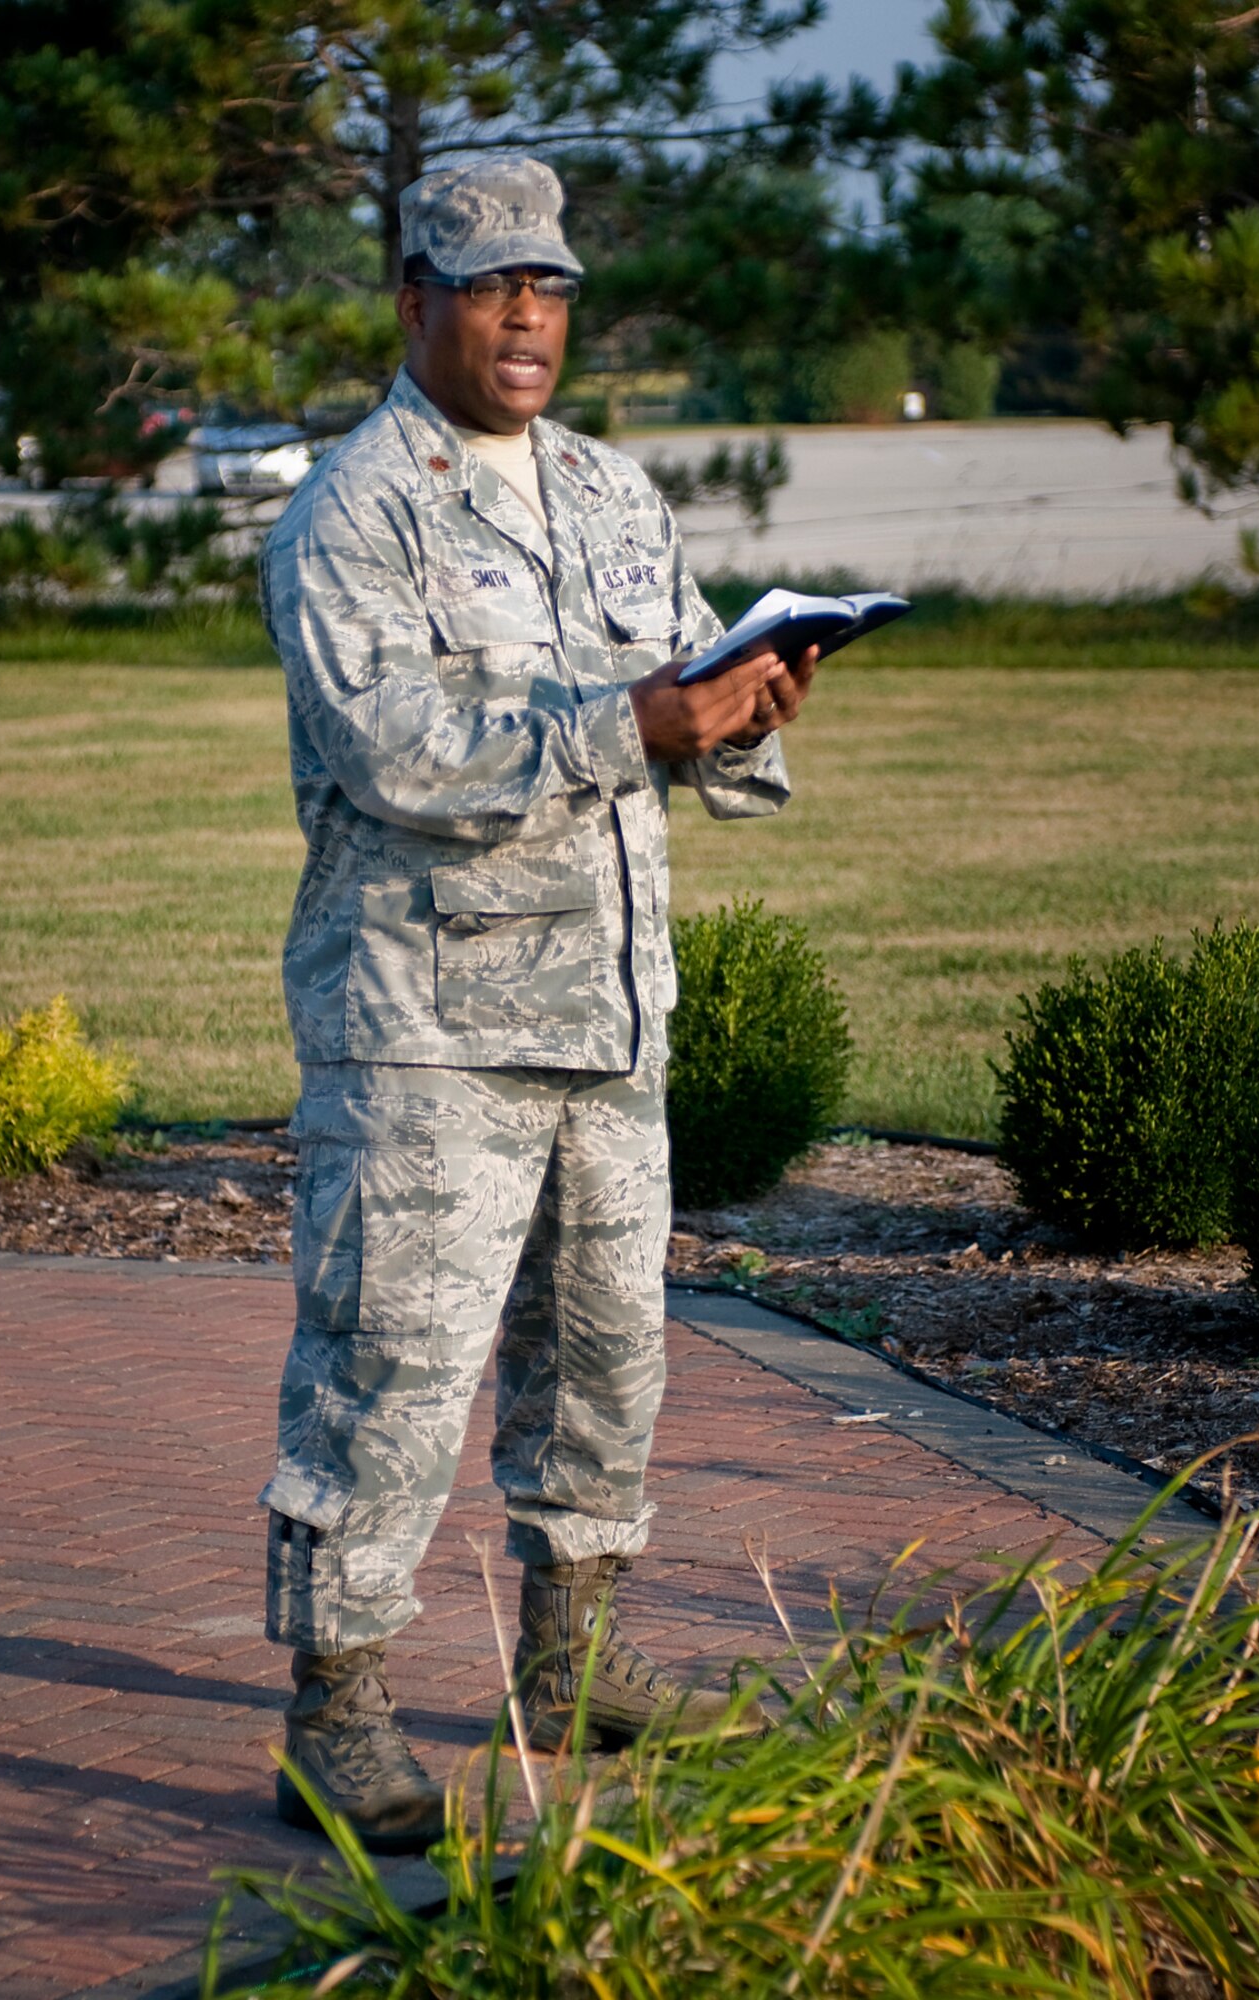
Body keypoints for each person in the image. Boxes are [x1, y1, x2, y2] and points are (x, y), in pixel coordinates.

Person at [257, 153, 817, 1852]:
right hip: (427, 1029)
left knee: (606, 1360)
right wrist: (630, 730)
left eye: (551, 286)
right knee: (393, 1367)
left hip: (608, 1017)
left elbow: (691, 682)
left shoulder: (608, 492)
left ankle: (575, 1655)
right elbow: (401, 753)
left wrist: (752, 705)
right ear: (415, 298)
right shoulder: (355, 508)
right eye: (491, 283)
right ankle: (335, 1703)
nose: (526, 314)